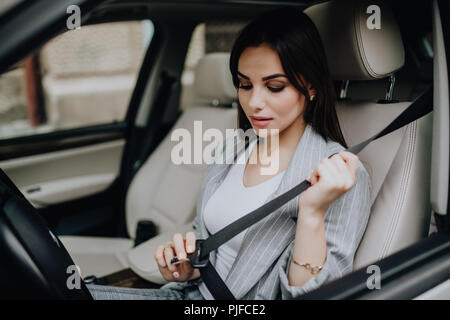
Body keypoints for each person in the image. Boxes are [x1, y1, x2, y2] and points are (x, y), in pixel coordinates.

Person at [87, 6, 371, 300]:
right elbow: (206, 237)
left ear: (311, 86)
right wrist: (189, 266)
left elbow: (315, 298)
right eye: (245, 85)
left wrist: (311, 214)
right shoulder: (232, 148)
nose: (254, 102)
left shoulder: (340, 177)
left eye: (274, 87)